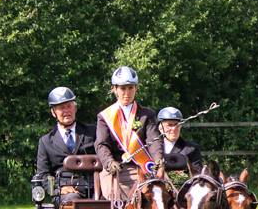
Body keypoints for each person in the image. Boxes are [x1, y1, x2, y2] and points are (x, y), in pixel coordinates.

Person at [95, 66, 163, 199]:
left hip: (143, 165)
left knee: (165, 191)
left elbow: (154, 141)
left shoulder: (147, 115)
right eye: (122, 88)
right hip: (116, 168)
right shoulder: (105, 117)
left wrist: (158, 161)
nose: (127, 92)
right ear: (114, 89)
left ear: (136, 88)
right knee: (117, 196)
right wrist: (109, 162)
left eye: (130, 87)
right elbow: (101, 144)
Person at [35, 87, 97, 199]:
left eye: (69, 106)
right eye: (61, 108)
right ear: (53, 112)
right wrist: (58, 189)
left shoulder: (93, 132)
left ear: (75, 108)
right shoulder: (46, 142)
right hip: (65, 192)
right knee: (72, 200)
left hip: (94, 187)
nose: (66, 111)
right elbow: (43, 175)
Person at [158, 106, 203, 177]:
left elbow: (198, 175)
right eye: (169, 125)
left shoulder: (192, 148)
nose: (174, 128)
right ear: (160, 127)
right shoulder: (153, 148)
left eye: (177, 124)